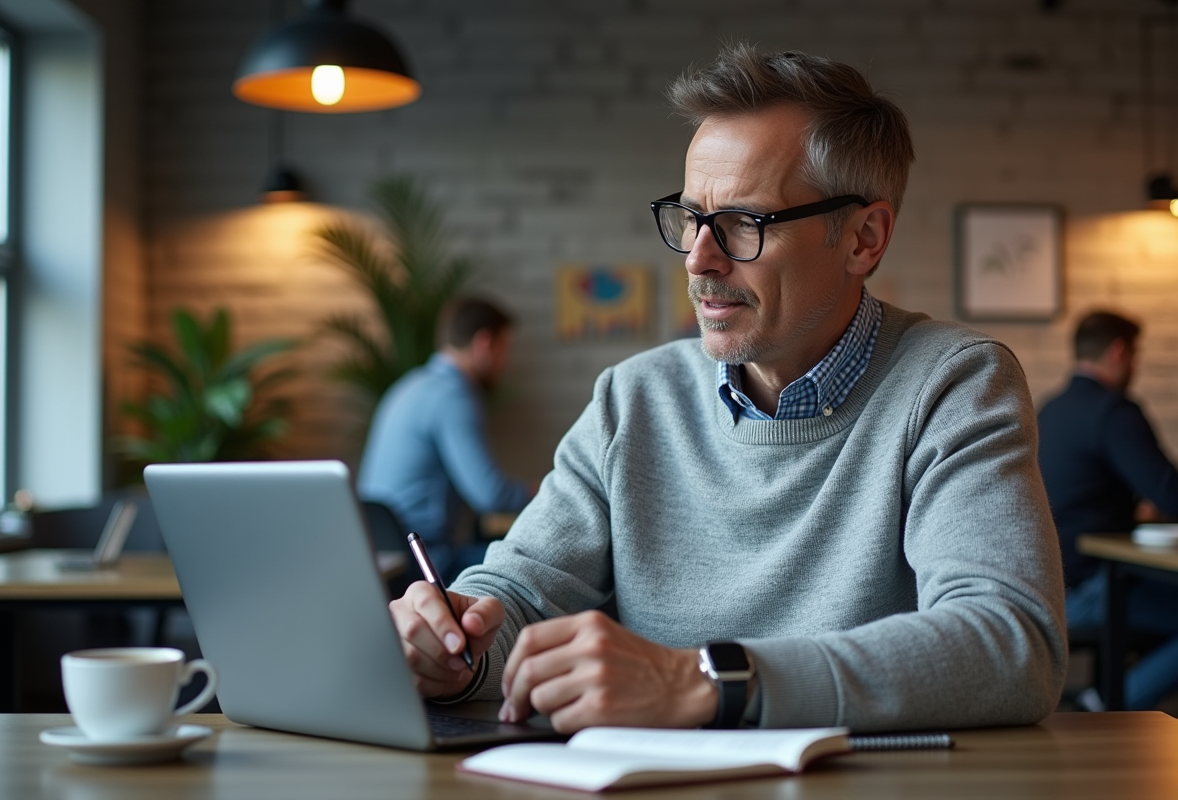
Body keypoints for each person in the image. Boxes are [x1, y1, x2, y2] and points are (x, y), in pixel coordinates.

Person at [390, 44, 1066, 734]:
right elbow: (521, 592)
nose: (699, 259)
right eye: (692, 218)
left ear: (864, 238)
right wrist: (458, 646)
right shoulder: (633, 398)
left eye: (746, 223)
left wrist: (709, 681)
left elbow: (1011, 642)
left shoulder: (953, 383)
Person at [1037, 310, 1178, 711]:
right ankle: (1107, 702)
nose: (1135, 365)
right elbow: (1170, 494)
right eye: (1136, 354)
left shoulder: (1050, 409)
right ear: (1118, 352)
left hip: (1050, 585)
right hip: (1094, 589)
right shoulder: (1112, 411)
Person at [356, 297, 533, 583]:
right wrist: (545, 490)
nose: (505, 363)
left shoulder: (409, 385)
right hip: (426, 564)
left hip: (384, 557)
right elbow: (491, 495)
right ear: (484, 343)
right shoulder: (453, 395)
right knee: (535, 564)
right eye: (504, 350)